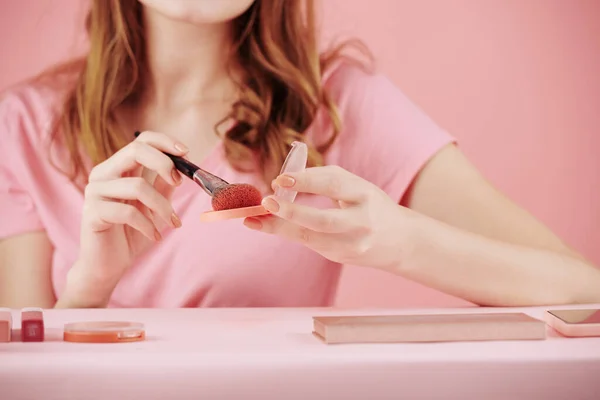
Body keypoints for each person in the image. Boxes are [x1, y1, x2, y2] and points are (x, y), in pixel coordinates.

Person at [0, 0, 598, 309]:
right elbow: (24, 373)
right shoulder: (23, 125)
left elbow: (583, 291)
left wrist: (395, 242)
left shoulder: (336, 106)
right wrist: (90, 289)